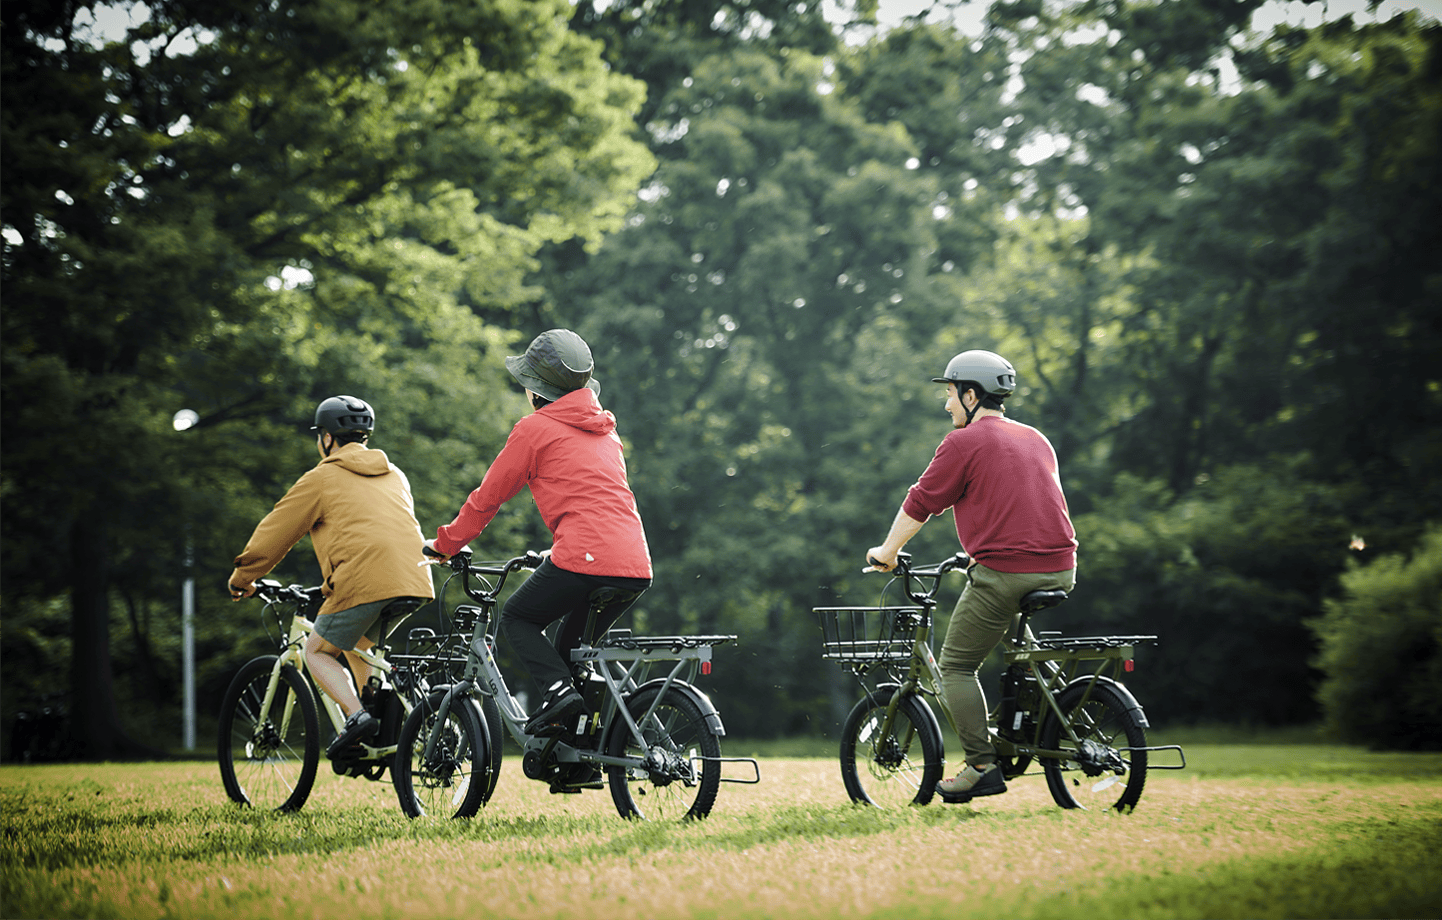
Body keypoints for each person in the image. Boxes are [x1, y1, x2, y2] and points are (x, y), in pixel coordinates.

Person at [865, 350, 1077, 803]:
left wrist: (888, 551)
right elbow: (1024, 503)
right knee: (1014, 647)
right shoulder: (1036, 438)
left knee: (958, 665)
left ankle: (981, 764)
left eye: (950, 395)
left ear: (971, 394)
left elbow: (922, 502)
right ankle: (1044, 717)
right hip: (1061, 565)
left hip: (1007, 572)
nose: (947, 406)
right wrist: (978, 549)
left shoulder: (963, 442)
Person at [425, 329, 652, 738]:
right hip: (634, 563)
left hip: (585, 560)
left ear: (534, 388)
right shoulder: (606, 432)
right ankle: (578, 748)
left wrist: (445, 545)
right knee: (569, 655)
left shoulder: (534, 429)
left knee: (518, 618)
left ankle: (560, 700)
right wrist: (558, 551)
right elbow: (595, 503)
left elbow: (486, 500)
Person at [228, 396, 434, 758]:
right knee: (360, 648)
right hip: (416, 579)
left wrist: (244, 576)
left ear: (326, 437)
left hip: (364, 580)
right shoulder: (395, 473)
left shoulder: (322, 477)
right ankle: (377, 725)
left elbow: (276, 532)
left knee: (317, 651)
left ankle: (356, 719)